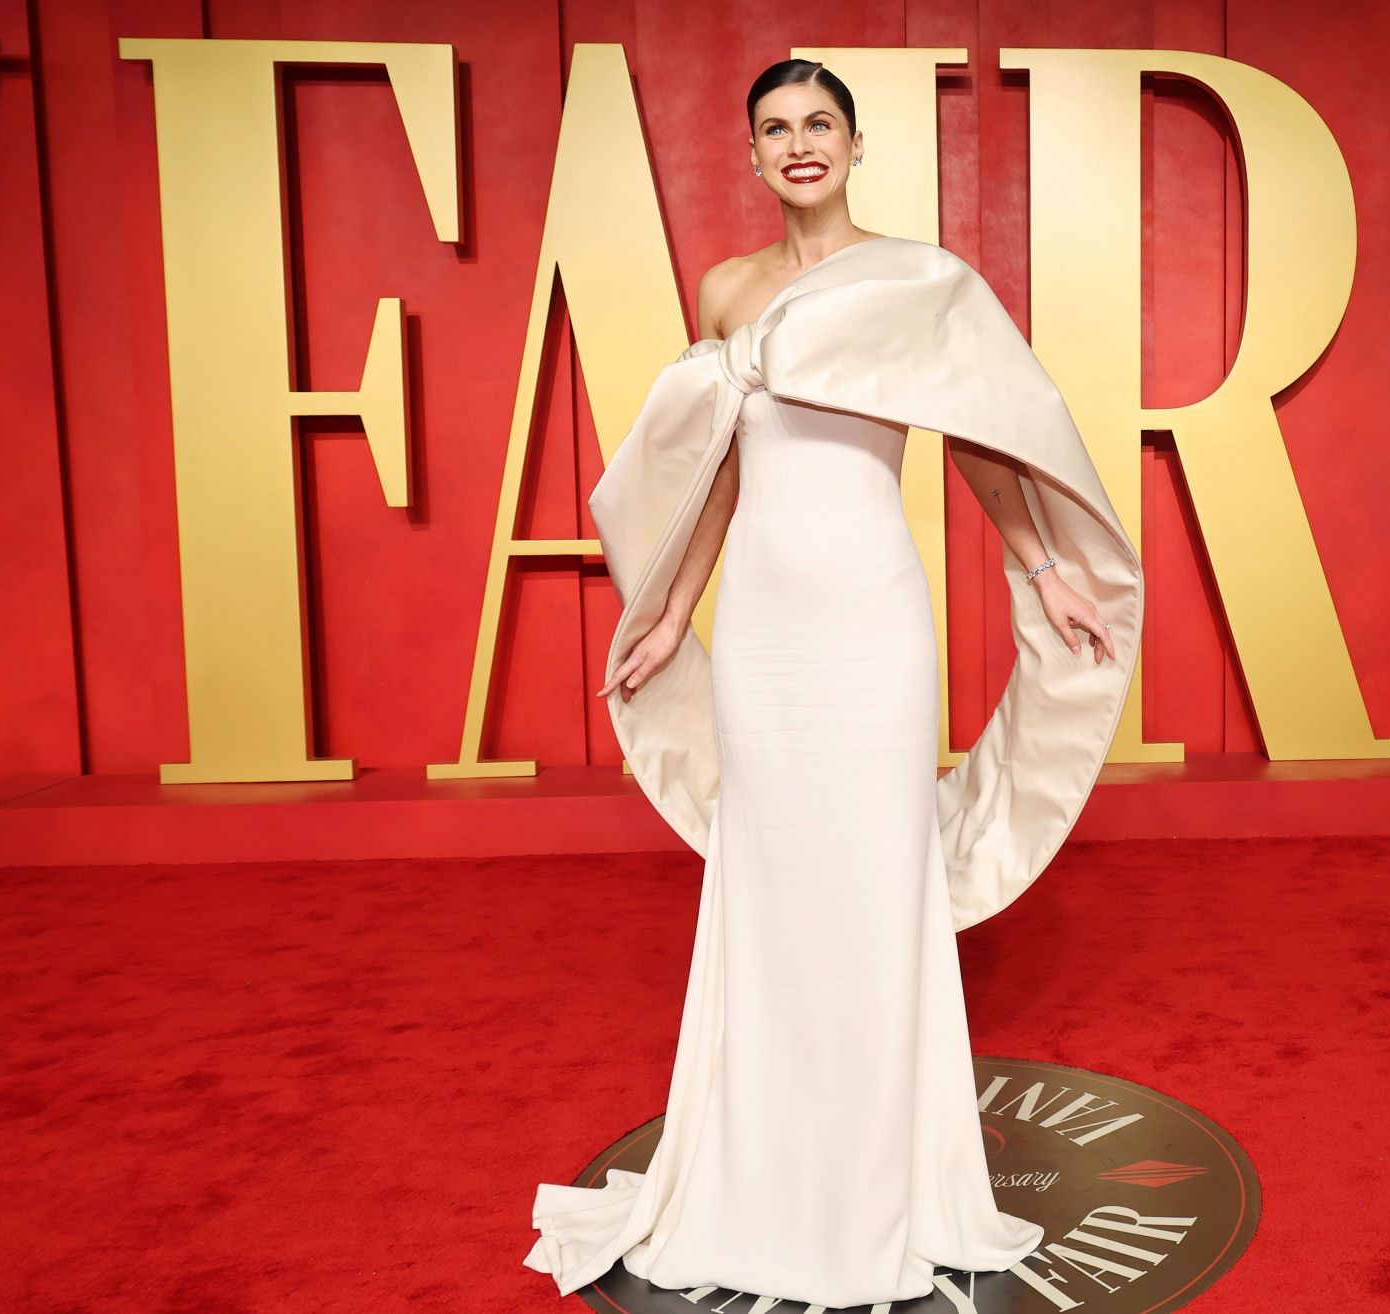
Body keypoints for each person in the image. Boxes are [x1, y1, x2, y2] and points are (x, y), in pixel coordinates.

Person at [523, 58, 1143, 1307]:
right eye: (775, 129)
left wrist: (1043, 570)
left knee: (874, 875)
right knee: (770, 876)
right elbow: (714, 469)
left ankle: (883, 1183)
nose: (799, 144)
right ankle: (763, 1172)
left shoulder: (919, 281)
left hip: (873, 621)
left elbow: (983, 435)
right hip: (765, 627)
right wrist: (669, 611)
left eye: (819, 125)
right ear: (753, 157)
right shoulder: (726, 288)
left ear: (856, 146)